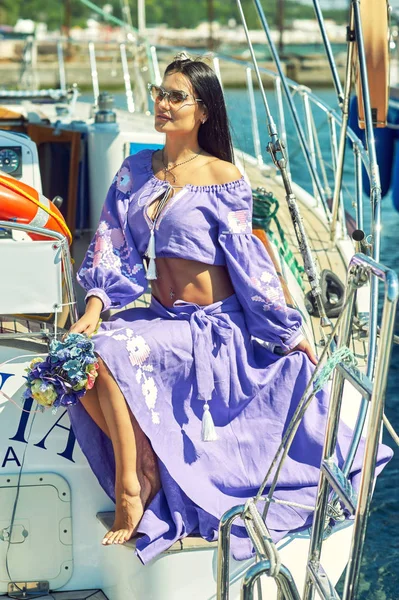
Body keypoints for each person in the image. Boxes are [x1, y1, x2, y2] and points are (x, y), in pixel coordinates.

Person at [68, 55, 392, 564]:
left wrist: (288, 334)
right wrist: (95, 304)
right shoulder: (135, 171)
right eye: (160, 92)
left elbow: (251, 269)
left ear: (202, 111)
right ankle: (148, 457)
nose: (162, 102)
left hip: (216, 328)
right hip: (161, 319)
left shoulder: (223, 178)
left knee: (105, 351)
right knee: (73, 357)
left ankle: (132, 485)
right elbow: (111, 245)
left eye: (176, 96)